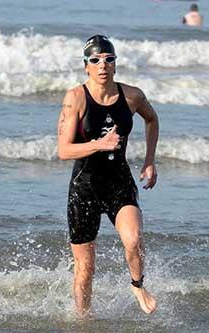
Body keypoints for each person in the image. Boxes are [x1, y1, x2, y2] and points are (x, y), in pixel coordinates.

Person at [57, 35, 158, 316]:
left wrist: (149, 160)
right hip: (84, 187)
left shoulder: (132, 96)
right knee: (85, 269)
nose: (102, 65)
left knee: (134, 238)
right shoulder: (75, 97)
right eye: (95, 60)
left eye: (108, 59)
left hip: (118, 182)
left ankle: (137, 284)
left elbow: (152, 119)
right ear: (86, 66)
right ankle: (83, 319)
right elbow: (63, 150)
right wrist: (98, 145)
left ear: (115, 64)